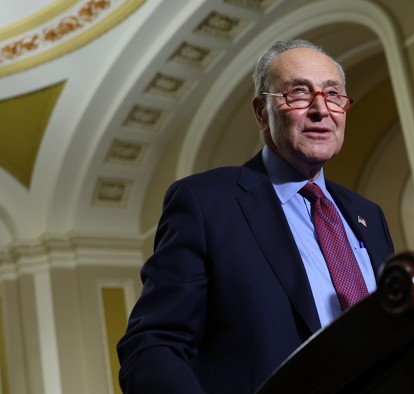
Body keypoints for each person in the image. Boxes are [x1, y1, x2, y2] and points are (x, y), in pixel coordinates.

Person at [116, 39, 395, 393]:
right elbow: (151, 345)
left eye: (333, 94)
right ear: (262, 112)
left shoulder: (367, 214)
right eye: (298, 93)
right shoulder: (207, 203)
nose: (320, 109)